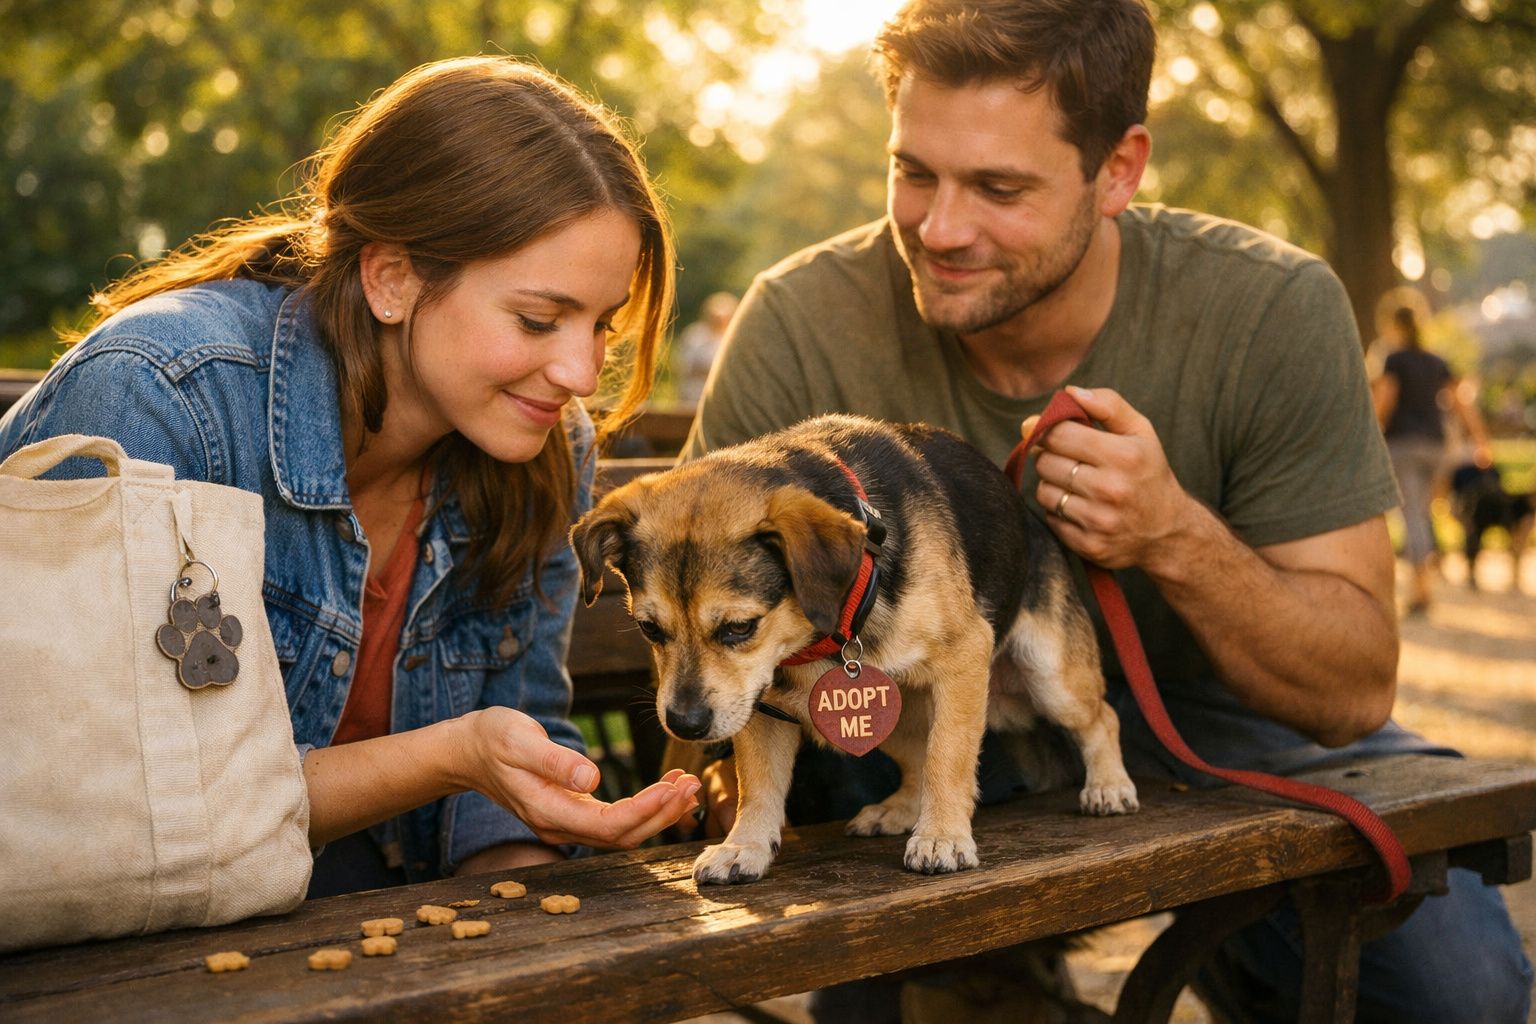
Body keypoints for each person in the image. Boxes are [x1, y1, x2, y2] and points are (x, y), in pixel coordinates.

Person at [679, 1, 1533, 1021]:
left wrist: (1174, 534)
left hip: (1207, 721)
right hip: (894, 728)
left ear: (1120, 169)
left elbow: (1353, 686)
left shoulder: (1272, 307)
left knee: (1462, 994)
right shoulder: (796, 322)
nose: (940, 228)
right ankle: (990, 983)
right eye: (914, 172)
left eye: (999, 187)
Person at [0, 57, 700, 896]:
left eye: (602, 324)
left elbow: (522, 738)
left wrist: (536, 856)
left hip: (371, 896)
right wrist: (456, 757)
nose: (583, 373)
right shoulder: (160, 400)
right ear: (393, 277)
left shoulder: (547, 447)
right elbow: (112, 807)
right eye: (539, 319)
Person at [1371, 304, 1493, 613]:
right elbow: (1462, 403)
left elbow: (1384, 400)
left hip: (1405, 444)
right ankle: (1426, 577)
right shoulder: (1436, 361)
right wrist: (1480, 440)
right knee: (1423, 512)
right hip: (1436, 447)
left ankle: (1421, 589)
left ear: (1394, 327)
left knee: (1411, 514)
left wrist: (1366, 434)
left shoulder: (1394, 360)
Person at [674, 290, 738, 405]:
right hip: (692, 398)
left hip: (721, 401)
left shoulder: (735, 338)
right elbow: (686, 367)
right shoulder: (694, 335)